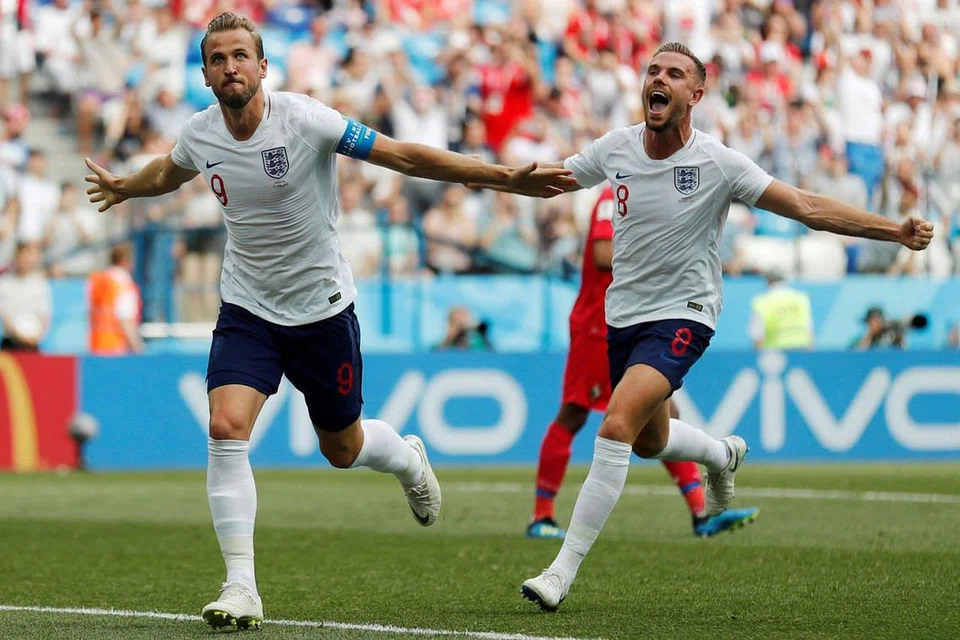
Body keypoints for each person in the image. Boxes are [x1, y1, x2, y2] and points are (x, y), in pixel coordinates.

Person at [82, 13, 574, 631]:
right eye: (217, 59)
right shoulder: (201, 134)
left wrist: (502, 177)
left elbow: (403, 157)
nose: (229, 67)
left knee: (343, 448)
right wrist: (128, 185)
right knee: (225, 424)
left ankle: (406, 459)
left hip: (321, 310)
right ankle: (241, 586)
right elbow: (170, 169)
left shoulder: (305, 119)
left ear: (262, 67)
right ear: (204, 73)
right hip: (248, 309)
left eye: (241, 56)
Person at [481, 42, 933, 612]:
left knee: (616, 425)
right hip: (622, 318)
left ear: (695, 94)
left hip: (685, 314)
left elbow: (807, 207)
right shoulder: (616, 147)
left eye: (673, 73)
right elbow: (552, 178)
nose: (658, 79)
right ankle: (721, 454)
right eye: (652, 70)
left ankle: (560, 571)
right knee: (651, 441)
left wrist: (893, 231)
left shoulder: (718, 162)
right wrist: (494, 177)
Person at [528, 186, 758, 540]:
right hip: (597, 326)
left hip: (632, 323)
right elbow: (604, 254)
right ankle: (541, 517)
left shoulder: (651, 197)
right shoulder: (613, 197)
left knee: (667, 415)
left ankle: (701, 513)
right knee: (574, 413)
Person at [88, 243, 144, 355]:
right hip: (117, 348)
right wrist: (138, 349)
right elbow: (125, 319)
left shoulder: (98, 280)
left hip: (97, 347)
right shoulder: (123, 284)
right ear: (125, 261)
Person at [0, 241, 51, 351]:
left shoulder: (39, 283)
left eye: (27, 257)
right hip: (10, 342)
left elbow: (45, 314)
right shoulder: (4, 283)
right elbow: (4, 314)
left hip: (33, 342)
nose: (24, 261)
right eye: (21, 257)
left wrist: (37, 337)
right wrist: (18, 336)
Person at [748, 271, 814, 350]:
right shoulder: (800, 298)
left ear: (768, 282)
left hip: (775, 352)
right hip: (801, 348)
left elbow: (757, 334)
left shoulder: (761, 302)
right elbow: (809, 327)